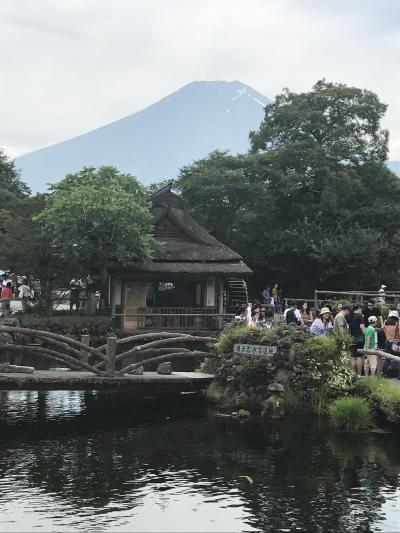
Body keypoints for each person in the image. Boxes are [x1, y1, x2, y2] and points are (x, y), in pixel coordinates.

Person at [382, 310, 400, 379]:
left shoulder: (385, 323)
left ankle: (384, 374)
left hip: (387, 342)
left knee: (387, 358)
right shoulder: (397, 323)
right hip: (395, 343)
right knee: (398, 359)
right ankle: (399, 375)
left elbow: (384, 330)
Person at [349, 304, 366, 375]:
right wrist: (366, 334)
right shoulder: (360, 317)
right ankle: (359, 374)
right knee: (359, 356)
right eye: (361, 309)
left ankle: (352, 373)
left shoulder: (349, 316)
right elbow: (362, 328)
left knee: (352, 356)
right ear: (358, 308)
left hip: (350, 338)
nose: (361, 310)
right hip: (359, 338)